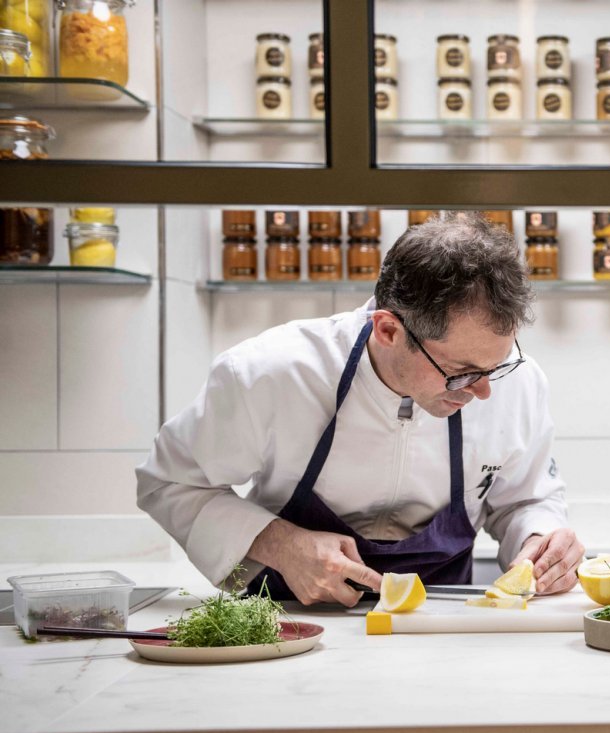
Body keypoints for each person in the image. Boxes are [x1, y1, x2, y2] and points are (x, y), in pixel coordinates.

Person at [136, 213, 583, 606]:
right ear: (388, 331)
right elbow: (170, 483)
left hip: (440, 628)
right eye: (460, 372)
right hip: (286, 625)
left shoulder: (518, 383)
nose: (484, 390)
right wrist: (279, 544)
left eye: (496, 366)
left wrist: (540, 538)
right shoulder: (270, 373)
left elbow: (526, 499)